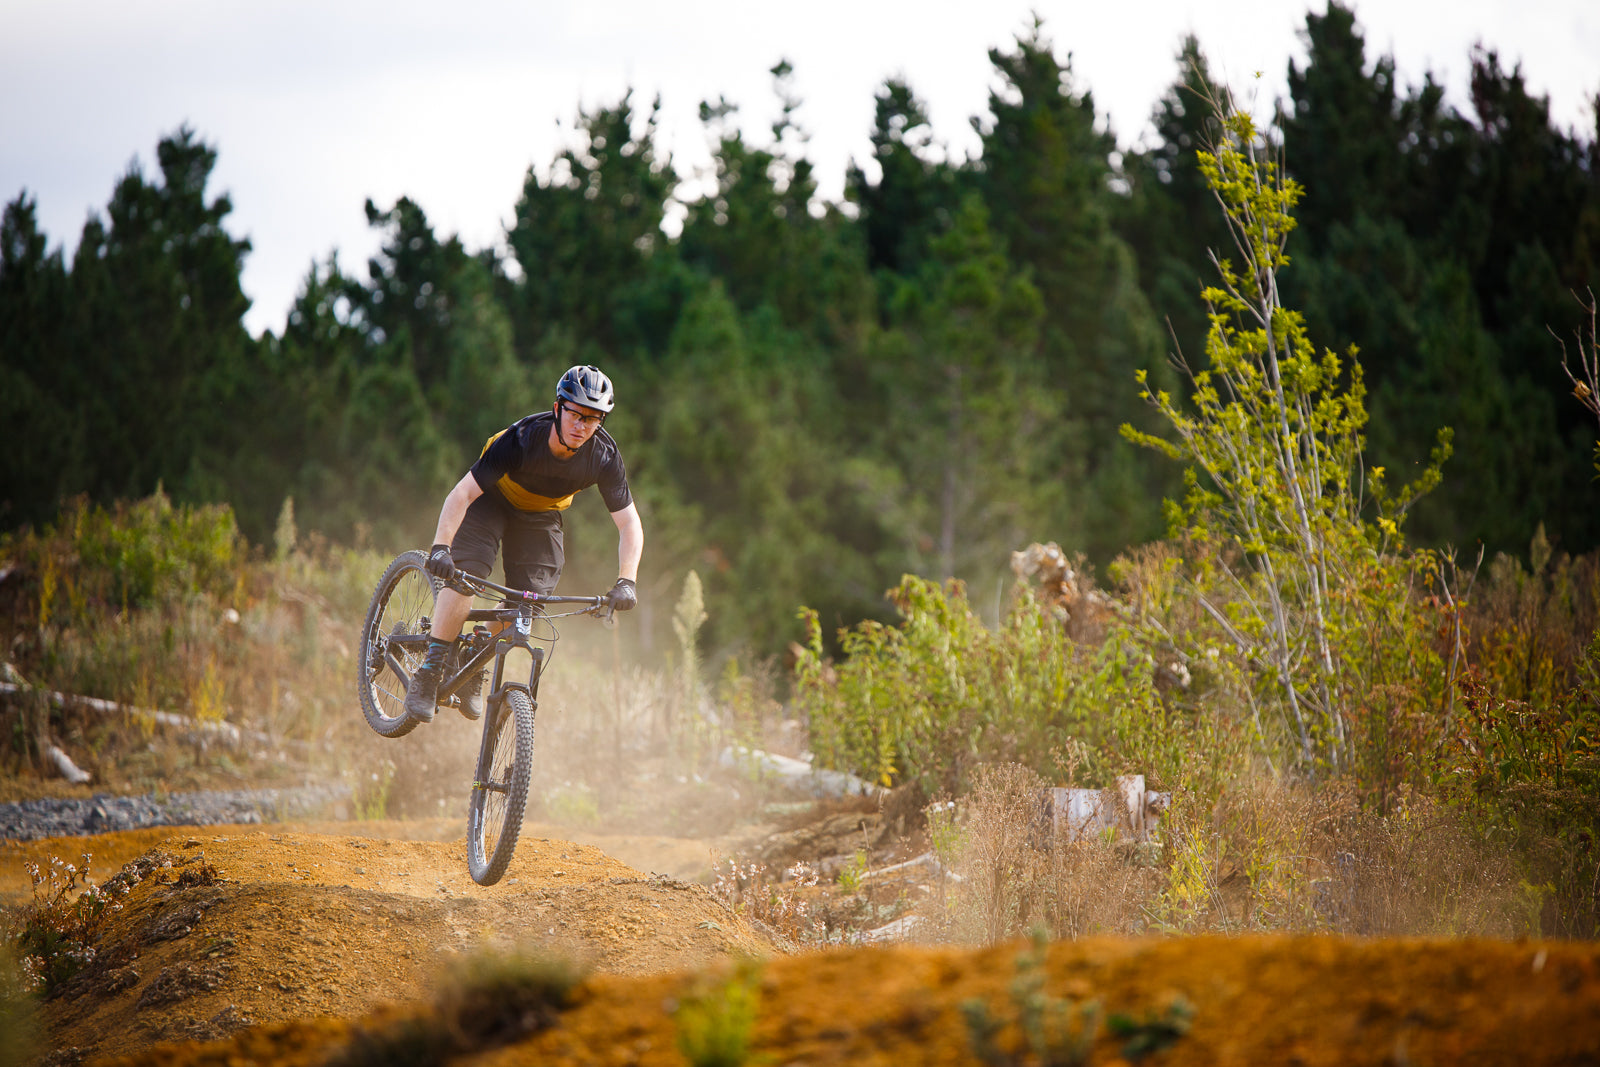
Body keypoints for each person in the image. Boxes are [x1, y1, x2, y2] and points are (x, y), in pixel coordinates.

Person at [403, 364, 643, 722]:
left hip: (540, 515)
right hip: (490, 501)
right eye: (576, 415)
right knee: (466, 575)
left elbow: (629, 524)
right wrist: (441, 547)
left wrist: (627, 580)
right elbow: (463, 493)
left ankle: (474, 652)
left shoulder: (603, 457)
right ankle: (429, 671)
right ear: (559, 408)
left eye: (593, 419)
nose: (582, 426)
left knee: (528, 602)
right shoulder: (521, 439)